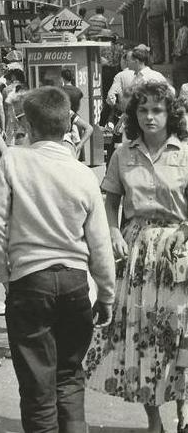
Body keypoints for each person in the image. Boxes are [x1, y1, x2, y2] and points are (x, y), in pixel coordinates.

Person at [0, 86, 116, 433]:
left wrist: (6, 273)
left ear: (29, 124)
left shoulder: (13, 160)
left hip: (29, 281)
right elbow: (99, 244)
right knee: (70, 377)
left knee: (37, 385)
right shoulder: (83, 174)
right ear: (66, 124)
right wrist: (106, 294)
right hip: (74, 283)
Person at [84, 81, 188, 433]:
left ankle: (184, 415)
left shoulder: (186, 152)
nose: (149, 117)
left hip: (180, 251)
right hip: (139, 252)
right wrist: (113, 231)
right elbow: (110, 197)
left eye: (156, 110)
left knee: (179, 335)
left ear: (169, 114)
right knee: (142, 336)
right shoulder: (122, 153)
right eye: (143, 110)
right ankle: (154, 420)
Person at [139, 0, 169, 64]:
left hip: (152, 19)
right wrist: (167, 20)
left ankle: (157, 59)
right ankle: (162, 57)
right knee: (161, 39)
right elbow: (165, 10)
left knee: (154, 39)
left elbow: (145, 10)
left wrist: (140, 22)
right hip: (161, 19)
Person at [173, 13, 188, 93]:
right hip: (182, 56)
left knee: (180, 76)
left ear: (182, 22)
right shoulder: (183, 30)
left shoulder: (183, 30)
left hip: (182, 57)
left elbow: (183, 43)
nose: (176, 23)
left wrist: (179, 54)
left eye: (177, 22)